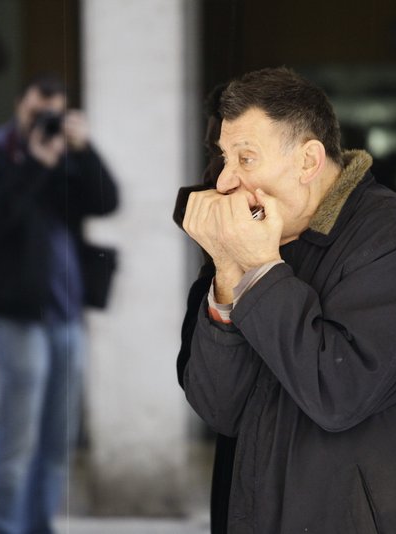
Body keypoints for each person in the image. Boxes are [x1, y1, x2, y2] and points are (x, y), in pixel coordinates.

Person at [181, 67, 396, 533]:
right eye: (224, 158)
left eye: (246, 159)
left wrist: (259, 270)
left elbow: (336, 392)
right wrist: (226, 273)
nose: (223, 181)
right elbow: (219, 408)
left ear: (308, 161)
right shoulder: (257, 242)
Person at [0, 73, 118, 534]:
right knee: (17, 440)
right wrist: (35, 163)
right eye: (38, 111)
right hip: (16, 318)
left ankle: (38, 527)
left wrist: (84, 150)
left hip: (65, 315)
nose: (45, 122)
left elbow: (107, 201)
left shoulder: (63, 159)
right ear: (19, 105)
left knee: (58, 441)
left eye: (54, 113)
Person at [175, 82, 237, 534]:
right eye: (213, 153)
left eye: (238, 157)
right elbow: (202, 387)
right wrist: (219, 265)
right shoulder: (227, 240)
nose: (216, 172)